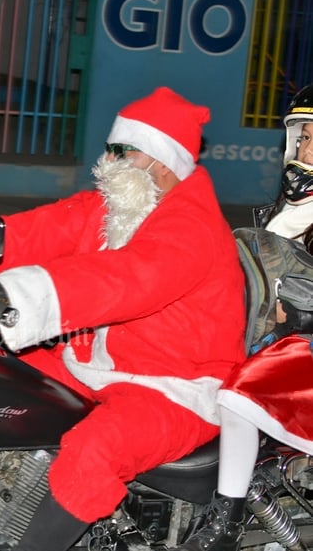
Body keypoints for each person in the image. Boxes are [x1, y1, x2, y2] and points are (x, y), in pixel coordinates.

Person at [0, 86, 247, 551]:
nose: (108, 162)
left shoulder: (192, 228)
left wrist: (8, 289)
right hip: (97, 367)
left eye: (121, 152)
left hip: (174, 389)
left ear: (161, 160)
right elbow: (37, 232)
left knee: (94, 452)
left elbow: (121, 280)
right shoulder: (121, 208)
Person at [170, 84, 313, 551]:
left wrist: (292, 307)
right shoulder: (288, 211)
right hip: (276, 337)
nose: (308, 149)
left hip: (303, 345)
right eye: (305, 137)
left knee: (240, 393)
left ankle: (226, 520)